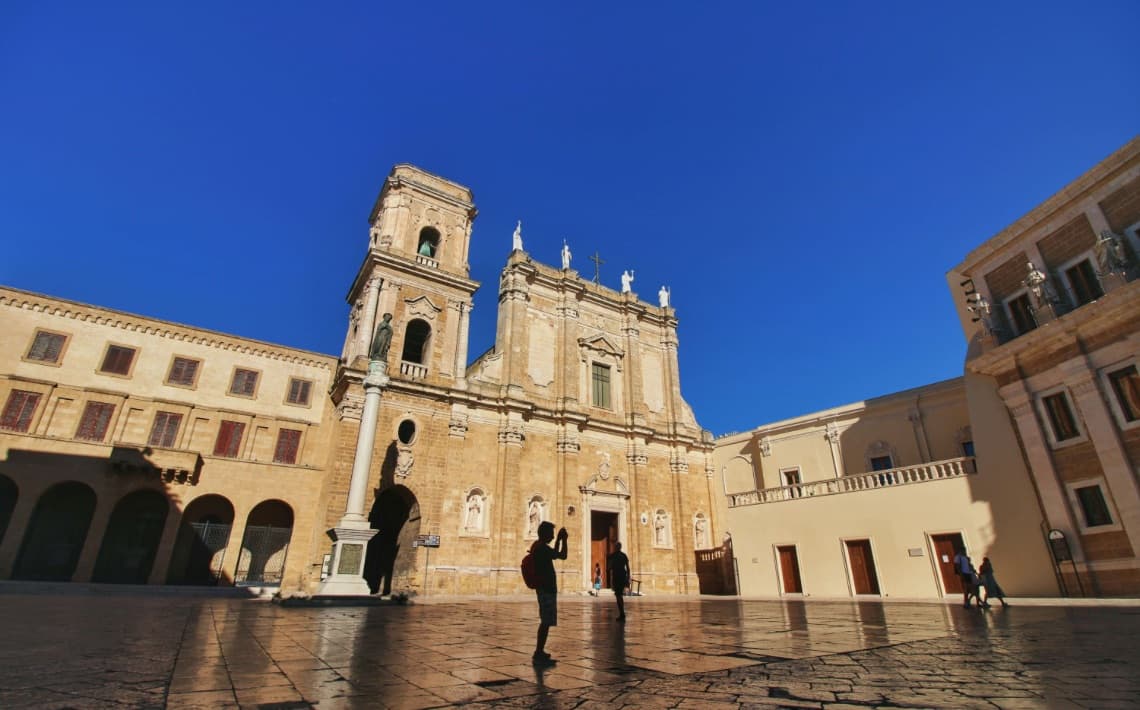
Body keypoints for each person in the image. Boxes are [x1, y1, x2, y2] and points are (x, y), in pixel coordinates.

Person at [531, 521, 568, 665]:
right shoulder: (542, 549)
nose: (552, 537)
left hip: (543, 588)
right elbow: (562, 555)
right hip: (546, 589)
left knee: (545, 621)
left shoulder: (538, 546)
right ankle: (538, 652)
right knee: (545, 622)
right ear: (545, 534)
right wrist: (564, 540)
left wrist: (558, 540)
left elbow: (554, 555)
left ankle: (539, 651)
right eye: (551, 534)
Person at [607, 541, 631, 621]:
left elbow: (609, 567)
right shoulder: (624, 555)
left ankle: (622, 614)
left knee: (618, 595)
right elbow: (628, 568)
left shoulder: (613, 556)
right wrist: (628, 577)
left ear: (616, 547)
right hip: (623, 576)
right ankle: (622, 613)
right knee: (619, 595)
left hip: (617, 576)